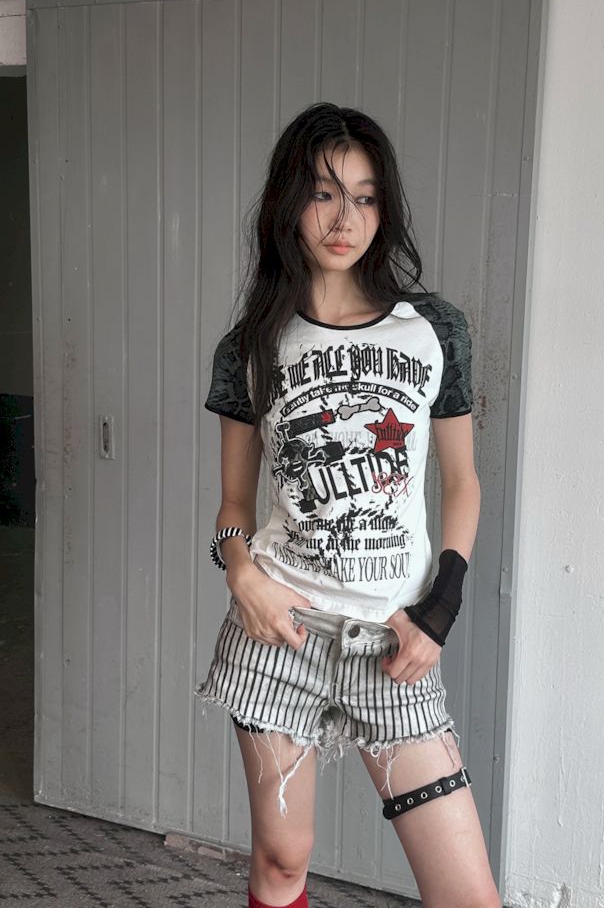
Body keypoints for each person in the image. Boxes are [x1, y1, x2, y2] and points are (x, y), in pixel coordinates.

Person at [194, 102, 502, 908]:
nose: (345, 219)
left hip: (394, 641)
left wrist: (440, 610)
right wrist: (242, 576)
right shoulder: (251, 345)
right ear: (289, 202)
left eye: (365, 197)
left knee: (467, 894)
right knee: (282, 861)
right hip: (279, 636)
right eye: (325, 193)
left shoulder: (432, 329)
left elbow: (462, 481)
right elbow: (232, 505)